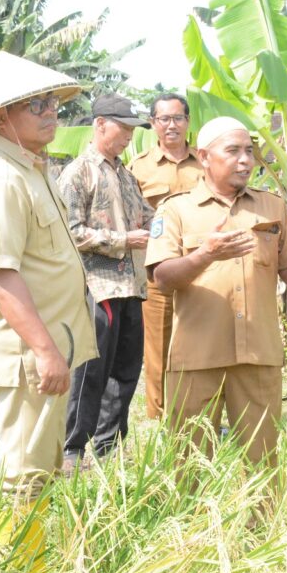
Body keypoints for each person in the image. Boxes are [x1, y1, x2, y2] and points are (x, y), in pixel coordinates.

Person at [0, 51, 97, 573]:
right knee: (24, 470)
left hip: (45, 345)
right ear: (1, 116)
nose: (50, 112)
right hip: (28, 354)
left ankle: (23, 565)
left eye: (52, 102)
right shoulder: (1, 179)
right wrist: (43, 349)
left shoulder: (31, 169)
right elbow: (1, 275)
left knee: (36, 463)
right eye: (35, 105)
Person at [145, 116, 287, 472]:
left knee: (262, 464)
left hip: (258, 355)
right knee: (189, 465)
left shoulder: (272, 207)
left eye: (249, 152)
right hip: (196, 357)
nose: (245, 160)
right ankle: (192, 512)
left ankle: (262, 514)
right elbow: (162, 278)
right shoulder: (176, 209)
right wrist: (206, 254)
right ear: (204, 157)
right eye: (233, 151)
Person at [58, 94, 153, 469]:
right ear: (100, 125)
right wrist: (122, 240)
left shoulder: (126, 175)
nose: (129, 135)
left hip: (132, 286)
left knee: (125, 371)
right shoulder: (78, 172)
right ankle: (72, 448)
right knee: (90, 371)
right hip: (97, 286)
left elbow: (149, 217)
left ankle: (109, 447)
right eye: (124, 127)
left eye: (132, 129)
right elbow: (69, 231)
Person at [128, 93, 204, 419]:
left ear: (188, 121)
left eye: (177, 118)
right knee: (158, 345)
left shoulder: (206, 162)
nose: (171, 125)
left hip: (203, 268)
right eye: (164, 119)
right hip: (157, 271)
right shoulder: (138, 167)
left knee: (204, 342)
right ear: (153, 123)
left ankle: (200, 412)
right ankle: (161, 417)